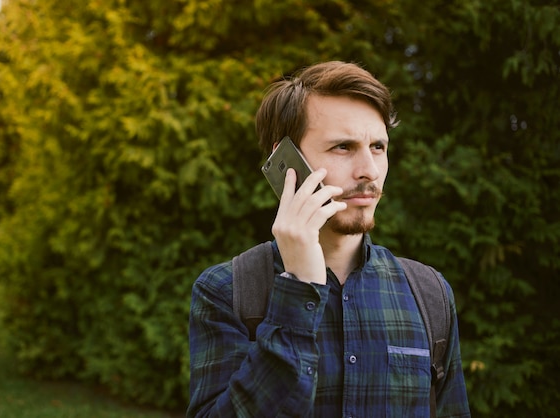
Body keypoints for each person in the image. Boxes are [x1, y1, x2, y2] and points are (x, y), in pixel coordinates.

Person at [187, 61, 471, 417]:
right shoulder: (228, 291)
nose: (368, 170)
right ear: (286, 161)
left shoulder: (430, 294)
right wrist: (298, 290)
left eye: (378, 147)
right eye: (343, 147)